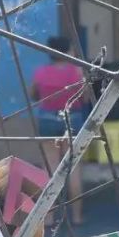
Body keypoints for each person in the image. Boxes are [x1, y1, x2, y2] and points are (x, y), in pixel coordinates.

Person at [30, 36, 87, 225]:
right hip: (73, 119)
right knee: (73, 168)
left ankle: (48, 217)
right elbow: (85, 99)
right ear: (68, 51)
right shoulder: (77, 72)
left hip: (47, 119)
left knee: (49, 169)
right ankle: (77, 216)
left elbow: (34, 95)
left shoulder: (41, 72)